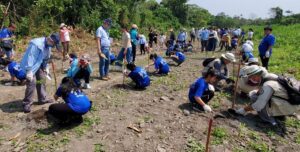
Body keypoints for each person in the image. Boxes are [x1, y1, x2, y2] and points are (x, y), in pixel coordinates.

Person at [235, 71, 300, 127]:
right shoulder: (278, 81)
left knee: (255, 99)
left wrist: (243, 110)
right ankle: (279, 115)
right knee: (257, 95)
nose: (255, 79)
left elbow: (258, 106)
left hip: (288, 107)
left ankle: (271, 121)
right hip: (293, 105)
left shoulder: (268, 85)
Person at [20, 33, 61, 113]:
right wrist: (29, 71)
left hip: (39, 64)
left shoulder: (48, 45)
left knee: (41, 80)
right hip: (30, 65)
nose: (53, 46)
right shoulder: (36, 44)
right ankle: (27, 103)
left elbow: (46, 57)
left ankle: (42, 98)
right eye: (54, 44)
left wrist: (46, 67)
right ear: (50, 40)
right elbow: (30, 57)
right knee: (32, 82)